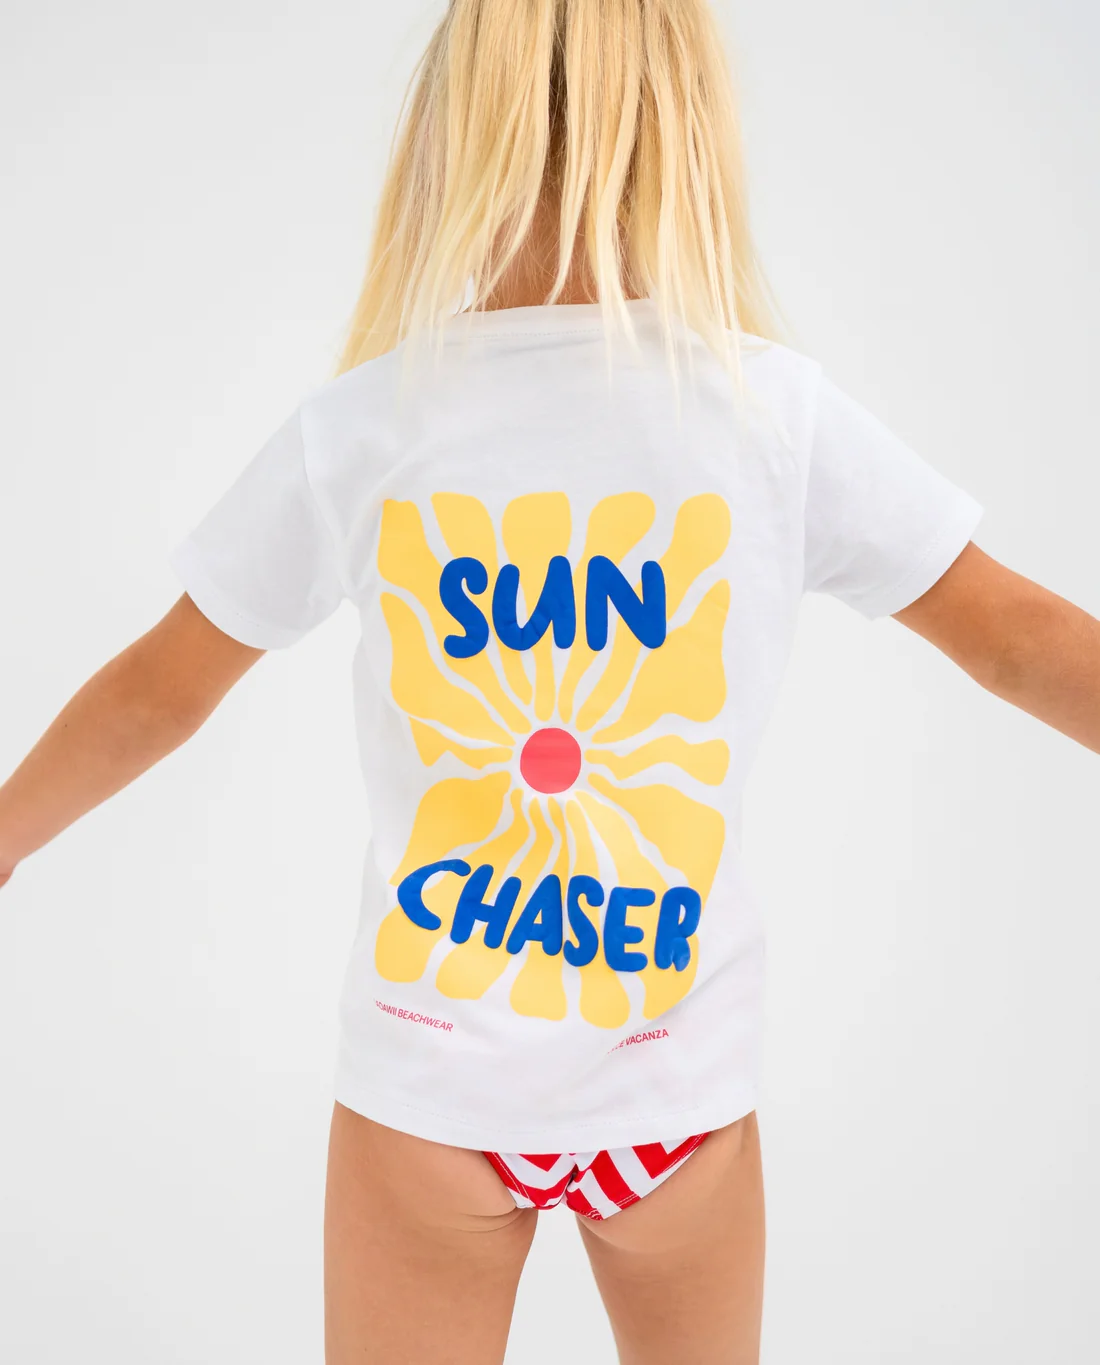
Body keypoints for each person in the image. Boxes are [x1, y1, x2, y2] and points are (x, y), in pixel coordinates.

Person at [1, 1, 1097, 1361]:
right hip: (676, 1094)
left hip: (431, 1078)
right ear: (687, 134)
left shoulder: (370, 424)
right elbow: (1017, 638)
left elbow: (159, 689)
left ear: (447, 137)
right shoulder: (772, 416)